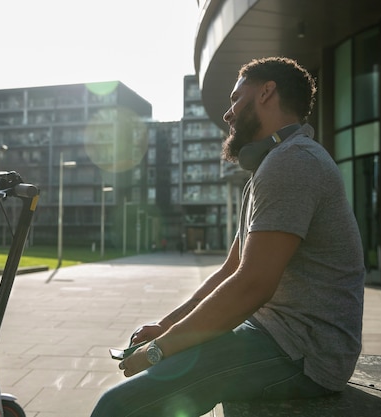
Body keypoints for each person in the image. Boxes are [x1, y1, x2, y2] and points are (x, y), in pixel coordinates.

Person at [90, 57, 365, 416]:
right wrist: (167, 326)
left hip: (304, 352)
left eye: (236, 98)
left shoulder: (293, 161)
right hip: (273, 335)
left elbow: (253, 285)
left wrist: (160, 350)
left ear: (267, 92)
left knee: (117, 406)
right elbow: (232, 269)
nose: (228, 113)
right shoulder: (274, 164)